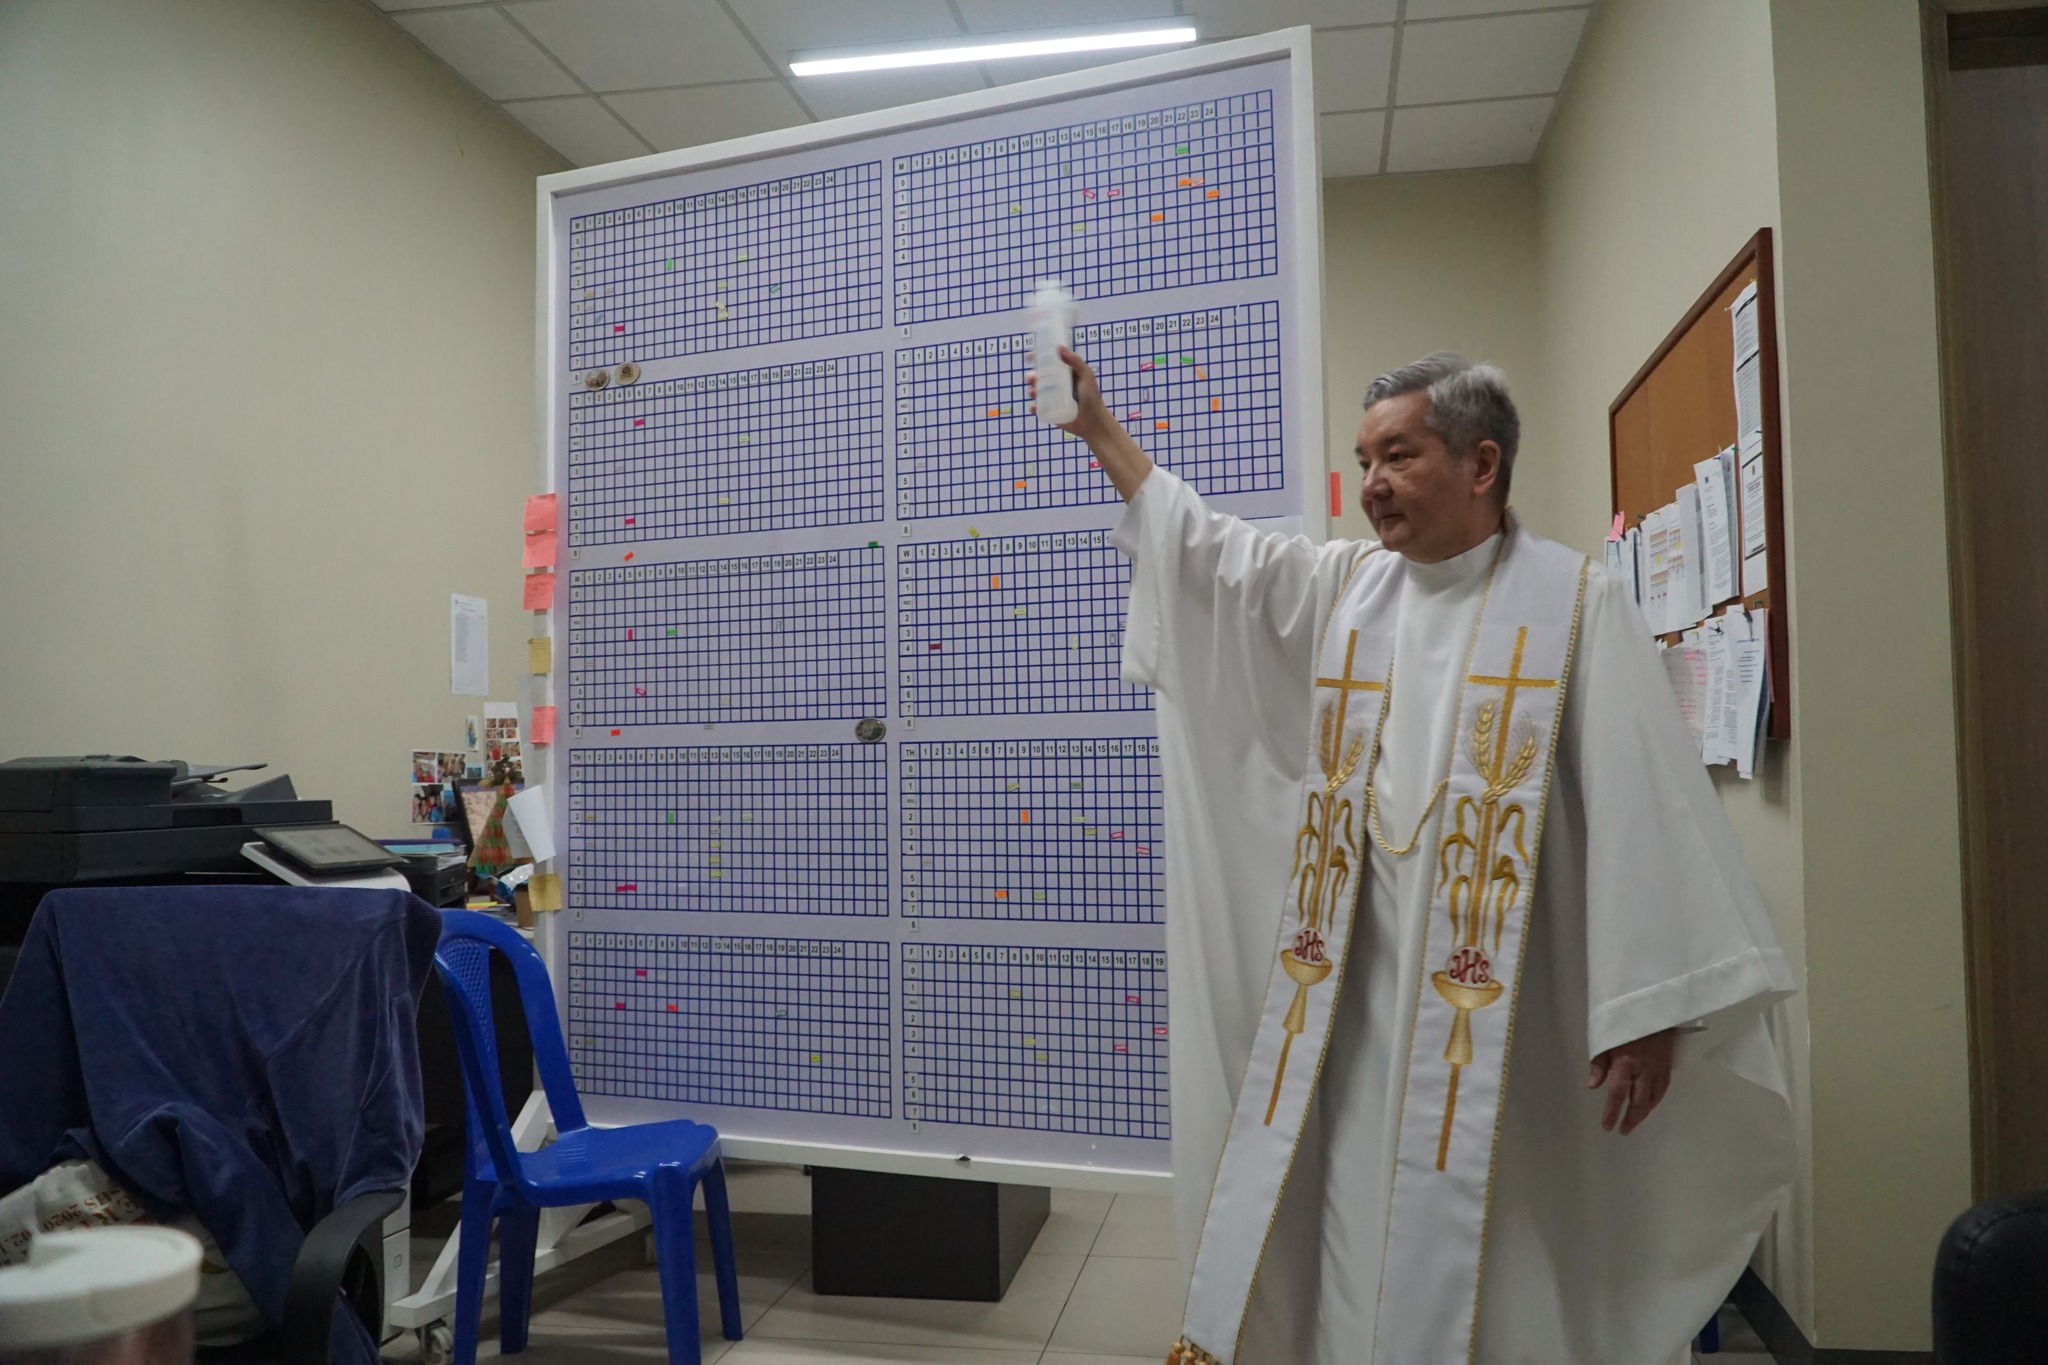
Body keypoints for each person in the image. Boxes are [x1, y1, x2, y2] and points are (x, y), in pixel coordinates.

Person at [1042, 348, 1796, 1365]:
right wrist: (1100, 434)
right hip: (1355, 999)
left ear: (1480, 465)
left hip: (1512, 1011)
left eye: (1395, 456)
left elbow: (1640, 807)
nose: (1369, 486)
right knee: (1351, 1213)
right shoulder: (1348, 589)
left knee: (1499, 1235)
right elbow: (1211, 556)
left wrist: (1646, 1004)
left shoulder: (1572, 606)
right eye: (1361, 461)